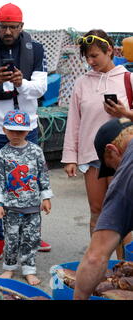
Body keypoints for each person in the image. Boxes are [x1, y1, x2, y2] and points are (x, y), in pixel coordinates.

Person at [0, 2, 50, 261]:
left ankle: (30, 235)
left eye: (13, 27)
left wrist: (21, 83)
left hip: (28, 129)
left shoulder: (36, 50)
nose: (7, 31)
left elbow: (41, 87)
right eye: (3, 26)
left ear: (21, 27)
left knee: (31, 183)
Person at [61, 30, 132, 258]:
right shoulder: (82, 83)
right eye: (87, 58)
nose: (91, 62)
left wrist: (125, 113)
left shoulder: (128, 79)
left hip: (124, 156)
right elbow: (74, 120)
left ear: (109, 50)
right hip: (92, 155)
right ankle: (99, 262)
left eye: (95, 56)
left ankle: (125, 266)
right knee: (96, 210)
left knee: (125, 214)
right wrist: (70, 157)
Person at [74, 117, 133, 299]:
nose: (116, 173)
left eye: (112, 167)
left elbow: (95, 258)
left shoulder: (126, 174)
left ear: (112, 150)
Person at [0, 110, 53, 285]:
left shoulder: (35, 151)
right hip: (11, 207)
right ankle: (9, 267)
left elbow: (43, 175)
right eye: (12, 130)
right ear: (4, 130)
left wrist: (46, 197)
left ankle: (29, 269)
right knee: (11, 238)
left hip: (33, 206)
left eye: (20, 131)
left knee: (31, 238)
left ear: (28, 130)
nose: (16, 135)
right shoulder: (2, 154)